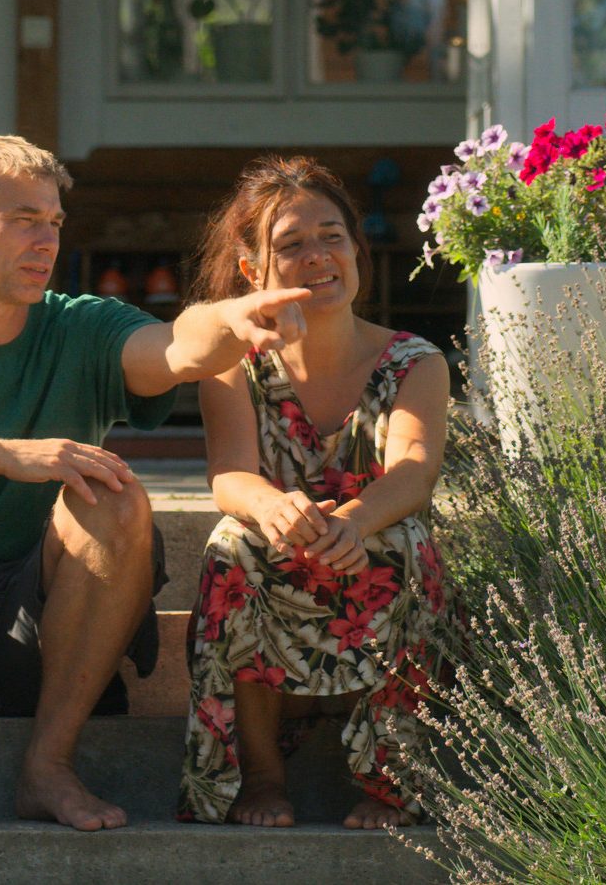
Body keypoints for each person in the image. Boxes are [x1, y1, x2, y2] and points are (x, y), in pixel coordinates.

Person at [0, 135, 314, 834]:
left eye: (55, 222)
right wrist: (2, 454)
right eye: (24, 220)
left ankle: (50, 765)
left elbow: (173, 347)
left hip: (43, 632)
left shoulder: (83, 327)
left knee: (113, 497)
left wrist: (229, 321)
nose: (47, 241)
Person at [179, 157, 451, 829]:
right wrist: (272, 508)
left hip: (371, 547)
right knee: (233, 546)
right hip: (281, 552)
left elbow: (414, 470)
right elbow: (230, 473)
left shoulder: (415, 361)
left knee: (404, 543)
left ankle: (392, 783)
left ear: (356, 250)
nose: (318, 257)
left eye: (332, 237)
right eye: (292, 244)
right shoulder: (232, 363)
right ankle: (262, 778)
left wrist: (352, 523)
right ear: (253, 271)